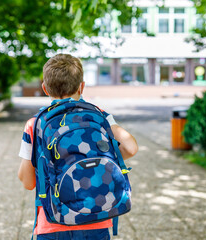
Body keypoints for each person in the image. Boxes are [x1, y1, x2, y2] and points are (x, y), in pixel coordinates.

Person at [18, 54, 138, 240]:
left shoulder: (35, 124)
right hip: (96, 218)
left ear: (44, 88)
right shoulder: (100, 115)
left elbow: (28, 182)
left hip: (53, 223)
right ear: (82, 86)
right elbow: (131, 148)